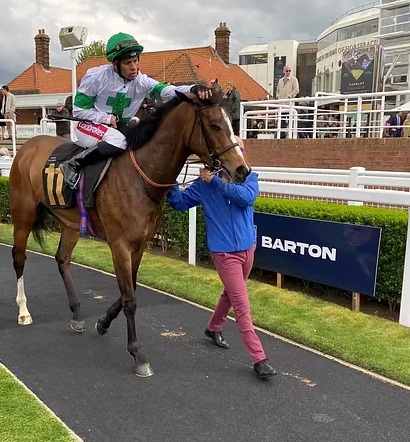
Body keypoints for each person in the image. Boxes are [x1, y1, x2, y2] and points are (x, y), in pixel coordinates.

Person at [166, 139, 277, 379]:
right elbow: (179, 203)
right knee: (241, 304)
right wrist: (171, 178)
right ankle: (259, 359)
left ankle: (213, 328)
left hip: (248, 248)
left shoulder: (249, 178)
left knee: (231, 293)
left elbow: (246, 198)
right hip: (224, 254)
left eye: (240, 150)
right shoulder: (202, 185)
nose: (238, 155)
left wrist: (214, 182)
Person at [59, 32, 213, 189]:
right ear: (115, 64)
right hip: (87, 126)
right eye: (127, 63)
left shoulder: (141, 82)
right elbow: (78, 111)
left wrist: (193, 89)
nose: (134, 67)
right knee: (118, 141)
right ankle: (73, 164)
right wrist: (105, 118)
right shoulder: (96, 77)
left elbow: (166, 90)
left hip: (116, 129)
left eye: (135, 60)